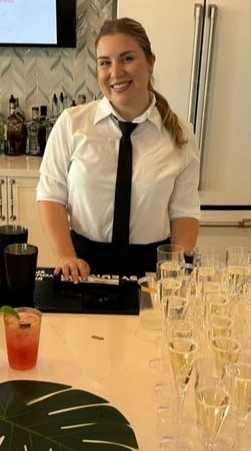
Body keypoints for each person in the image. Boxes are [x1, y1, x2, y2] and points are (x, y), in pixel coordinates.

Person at [37, 17, 200, 280]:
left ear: (150, 62)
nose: (115, 72)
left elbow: (184, 211)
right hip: (82, 268)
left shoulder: (181, 134)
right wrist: (66, 256)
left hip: (153, 273)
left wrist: (177, 267)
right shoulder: (71, 123)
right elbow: (51, 196)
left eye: (127, 58)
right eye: (105, 62)